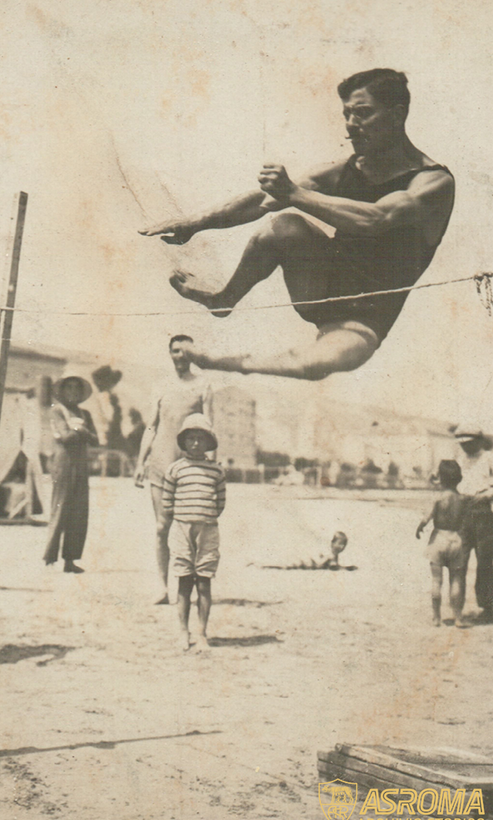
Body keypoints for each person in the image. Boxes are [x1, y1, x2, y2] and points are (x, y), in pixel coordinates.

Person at [141, 69, 455, 380]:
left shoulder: (433, 182)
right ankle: (224, 299)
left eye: (363, 113)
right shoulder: (343, 170)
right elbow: (263, 201)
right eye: (346, 114)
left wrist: (294, 192)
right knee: (284, 225)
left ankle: (218, 362)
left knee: (313, 365)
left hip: (365, 318)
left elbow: (377, 219)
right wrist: (193, 223)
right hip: (320, 285)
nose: (351, 125)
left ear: (397, 115)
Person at [134, 335, 213, 603]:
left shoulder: (203, 385)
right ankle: (162, 587)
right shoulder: (161, 385)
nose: (180, 355)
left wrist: (210, 467)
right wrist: (140, 462)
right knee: (161, 527)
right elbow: (151, 426)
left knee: (192, 526)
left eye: (184, 351)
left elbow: (209, 428)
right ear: (169, 354)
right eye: (175, 351)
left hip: (192, 467)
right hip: (161, 464)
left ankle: (186, 586)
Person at [162, 414, 226, 651]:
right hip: (181, 528)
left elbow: (220, 503)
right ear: (184, 442)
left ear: (209, 442)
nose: (196, 443)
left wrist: (204, 517)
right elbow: (167, 502)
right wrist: (182, 518)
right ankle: (183, 632)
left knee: (205, 581)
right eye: (191, 438)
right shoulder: (176, 469)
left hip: (207, 530)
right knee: (184, 581)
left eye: (201, 439)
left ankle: (202, 634)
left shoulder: (216, 471)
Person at [43, 376, 99, 574]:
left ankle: (70, 559)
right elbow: (65, 437)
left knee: (79, 512)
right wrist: (82, 432)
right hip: (63, 463)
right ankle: (50, 557)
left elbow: (95, 439)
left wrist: (79, 430)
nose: (73, 393)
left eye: (77, 389)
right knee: (60, 508)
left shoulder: (85, 413)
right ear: (63, 391)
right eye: (69, 389)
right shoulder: (58, 411)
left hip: (81, 464)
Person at [454, 424, 493, 620]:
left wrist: (488, 494)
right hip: (462, 515)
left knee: (484, 561)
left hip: (483, 515)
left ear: (479, 441)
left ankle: (487, 608)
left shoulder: (490, 458)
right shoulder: (460, 460)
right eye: (463, 444)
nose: (466, 447)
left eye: (470, 443)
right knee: (460, 561)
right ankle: (458, 609)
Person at [417, 460, 472, 628]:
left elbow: (426, 517)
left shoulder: (438, 498)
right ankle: (458, 617)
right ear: (460, 479)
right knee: (456, 580)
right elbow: (467, 521)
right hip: (456, 540)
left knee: (436, 581)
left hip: (439, 539)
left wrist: (419, 527)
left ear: (440, 479)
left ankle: (436, 617)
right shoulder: (463, 499)